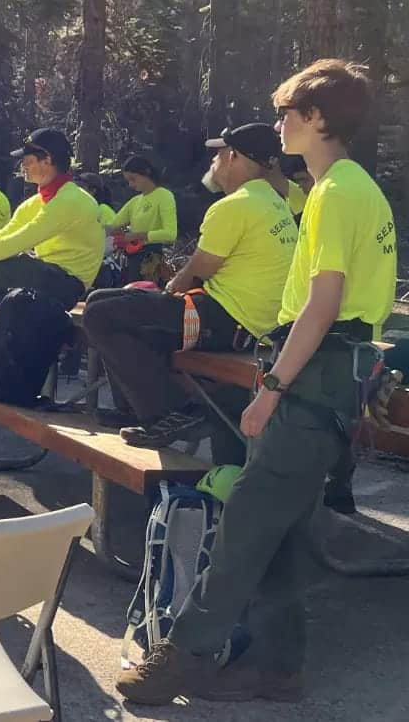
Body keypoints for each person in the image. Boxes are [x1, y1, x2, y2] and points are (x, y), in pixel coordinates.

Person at [118, 59, 396, 706]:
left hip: (317, 369)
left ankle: (183, 655)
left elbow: (323, 304)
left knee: (246, 515)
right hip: (336, 370)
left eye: (287, 113)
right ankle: (278, 666)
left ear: (318, 119)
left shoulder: (334, 192)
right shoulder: (356, 188)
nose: (278, 124)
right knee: (286, 524)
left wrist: (270, 384)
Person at [83, 124, 297, 448]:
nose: (214, 161)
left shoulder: (235, 204)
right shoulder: (275, 201)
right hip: (252, 322)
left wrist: (166, 291)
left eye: (219, 153)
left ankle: (173, 413)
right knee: (106, 301)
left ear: (235, 156)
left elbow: (196, 273)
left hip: (226, 320)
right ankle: (137, 409)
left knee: (102, 315)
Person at [0, 128, 103, 311]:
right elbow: (2, 237)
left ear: (47, 160)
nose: (23, 167)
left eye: (28, 161)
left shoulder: (70, 200)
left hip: (67, 284)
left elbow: (15, 243)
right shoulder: (34, 203)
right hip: (45, 273)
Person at [107, 156, 178, 282]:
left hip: (151, 260)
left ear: (146, 173)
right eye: (128, 181)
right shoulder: (135, 201)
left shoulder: (164, 195)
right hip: (131, 258)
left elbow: (170, 234)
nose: (131, 184)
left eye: (133, 179)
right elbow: (112, 226)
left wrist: (137, 236)